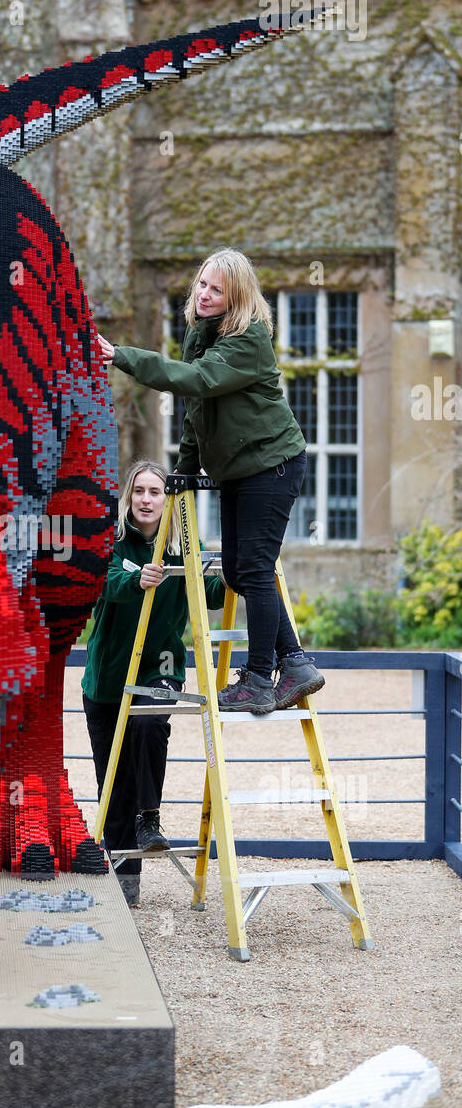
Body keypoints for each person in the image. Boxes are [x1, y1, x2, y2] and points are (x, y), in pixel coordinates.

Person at [98, 247, 324, 717]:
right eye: (201, 283)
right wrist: (184, 467)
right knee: (240, 570)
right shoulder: (202, 333)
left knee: (254, 570)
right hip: (239, 471)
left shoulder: (247, 340)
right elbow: (196, 411)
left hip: (271, 465)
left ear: (235, 297)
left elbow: (195, 381)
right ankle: (297, 664)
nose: (203, 294)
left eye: (216, 289)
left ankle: (262, 678)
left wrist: (122, 356)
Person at [82, 460, 225, 906]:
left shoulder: (185, 544)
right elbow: (106, 583)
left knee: (147, 726)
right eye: (140, 491)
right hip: (108, 676)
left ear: (168, 499)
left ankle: (150, 818)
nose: (147, 499)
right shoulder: (112, 539)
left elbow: (212, 595)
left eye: (156, 491)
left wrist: (234, 572)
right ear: (129, 496)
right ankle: (127, 885)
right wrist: (134, 579)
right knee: (113, 781)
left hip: (159, 668)